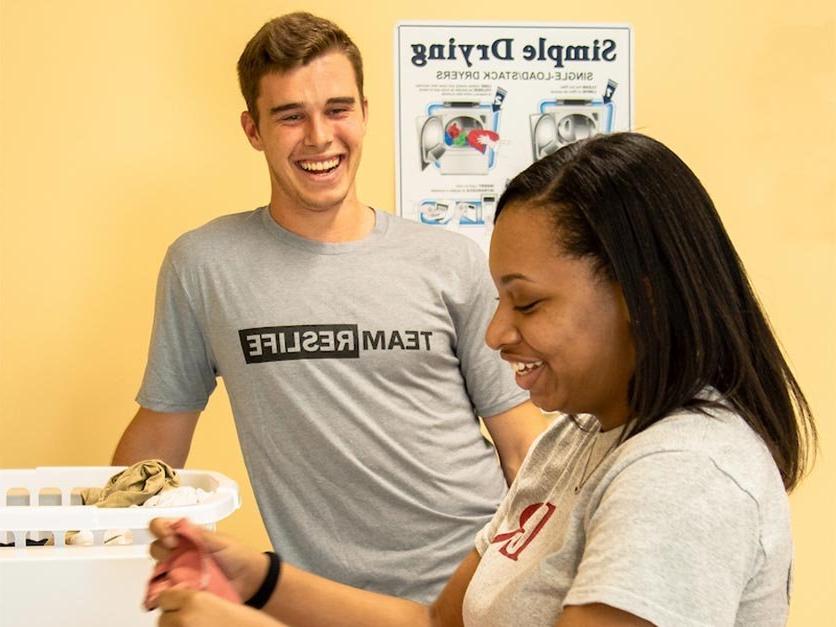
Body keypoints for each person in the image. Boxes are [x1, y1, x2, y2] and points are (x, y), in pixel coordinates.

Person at [146, 132, 816, 627]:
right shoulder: (575, 439)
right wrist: (258, 579)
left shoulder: (684, 473)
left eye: (525, 302)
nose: (495, 333)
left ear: (637, 297)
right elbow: (438, 624)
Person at [112, 11, 546, 603]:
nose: (319, 136)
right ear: (253, 129)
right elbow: (161, 432)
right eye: (290, 116)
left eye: (337, 109)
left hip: (479, 586)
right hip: (323, 603)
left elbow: (522, 443)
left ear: (364, 112)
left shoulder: (450, 260)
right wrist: (98, 540)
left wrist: (545, 578)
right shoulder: (203, 265)